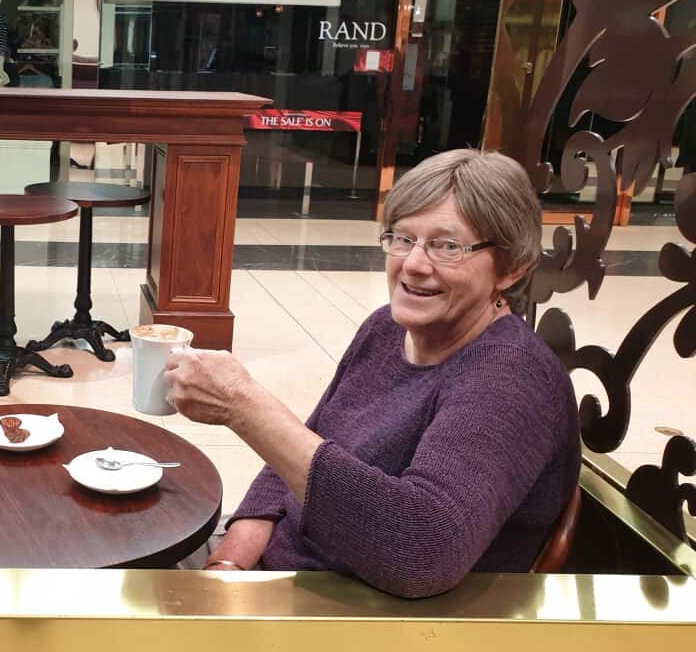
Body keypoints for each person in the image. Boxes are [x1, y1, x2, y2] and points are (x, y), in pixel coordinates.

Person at [165, 149, 581, 598]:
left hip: (356, 610)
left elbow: (423, 551)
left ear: (512, 267)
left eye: (448, 246)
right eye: (403, 238)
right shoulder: (386, 328)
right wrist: (230, 562)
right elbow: (301, 448)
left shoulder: (510, 377)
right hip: (274, 567)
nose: (414, 264)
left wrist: (244, 406)